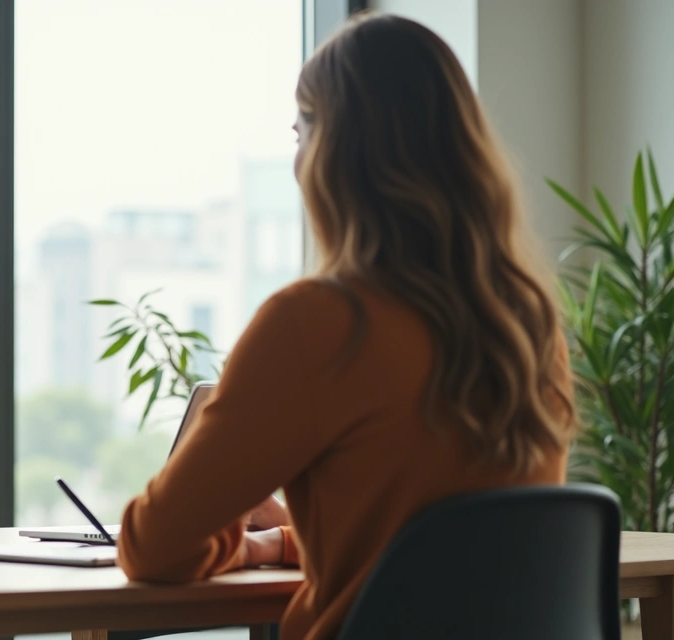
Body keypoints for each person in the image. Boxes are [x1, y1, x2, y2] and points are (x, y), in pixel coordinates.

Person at [116, 13, 575, 640]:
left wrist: (232, 532)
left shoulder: (318, 322)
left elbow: (153, 547)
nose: (296, 154)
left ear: (333, 154)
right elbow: (442, 547)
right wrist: (279, 542)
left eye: (300, 130)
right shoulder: (528, 328)